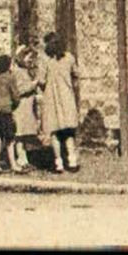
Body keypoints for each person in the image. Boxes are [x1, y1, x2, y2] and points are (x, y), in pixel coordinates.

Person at [38, 31, 81, 173]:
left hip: (51, 98)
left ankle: (58, 163)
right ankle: (72, 160)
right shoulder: (69, 57)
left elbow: (41, 80)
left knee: (54, 131)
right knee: (68, 131)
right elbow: (77, 74)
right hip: (67, 97)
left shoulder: (45, 61)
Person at [9, 44, 41, 173]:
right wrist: (34, 84)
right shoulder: (17, 72)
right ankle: (21, 160)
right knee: (19, 135)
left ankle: (24, 159)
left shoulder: (24, 71)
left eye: (31, 59)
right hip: (20, 108)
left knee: (22, 136)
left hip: (26, 108)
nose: (30, 61)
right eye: (28, 58)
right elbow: (20, 90)